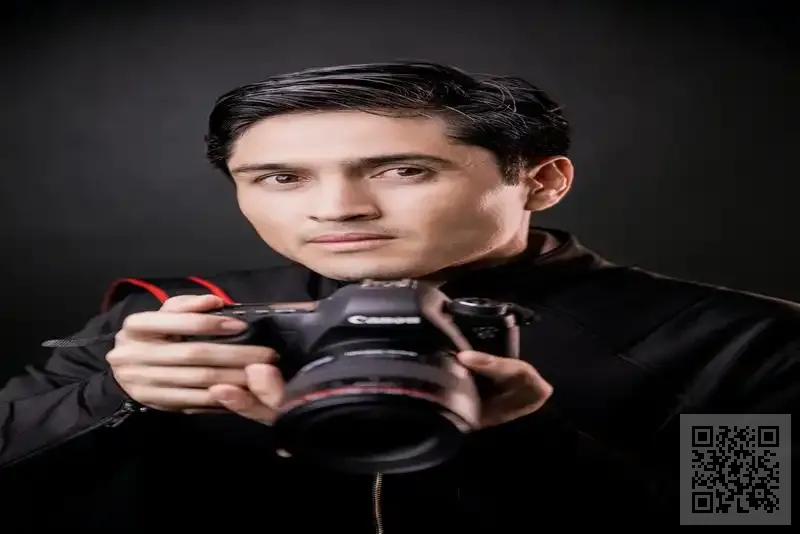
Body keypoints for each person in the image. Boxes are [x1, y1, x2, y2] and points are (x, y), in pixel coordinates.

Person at [0, 61, 796, 531]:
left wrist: (525, 441)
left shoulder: (737, 339)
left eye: (402, 170)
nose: (336, 209)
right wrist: (118, 393)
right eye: (279, 178)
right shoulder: (178, 318)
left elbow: (745, 521)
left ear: (542, 181)